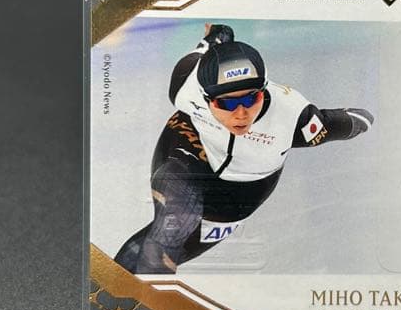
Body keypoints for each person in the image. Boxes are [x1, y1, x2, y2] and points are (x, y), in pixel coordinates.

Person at [114, 23, 374, 275]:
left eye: (251, 98)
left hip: (239, 193)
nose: (241, 113)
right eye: (226, 103)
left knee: (159, 250)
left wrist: (368, 118)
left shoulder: (294, 117)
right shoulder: (185, 83)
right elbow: (208, 47)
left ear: (264, 90)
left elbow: (350, 122)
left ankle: (111, 292)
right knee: (172, 227)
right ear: (205, 96)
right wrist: (218, 35)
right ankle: (140, 303)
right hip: (190, 148)